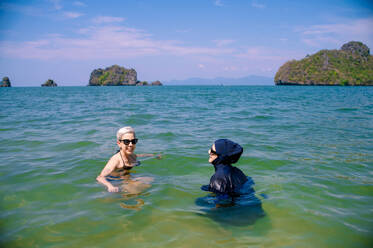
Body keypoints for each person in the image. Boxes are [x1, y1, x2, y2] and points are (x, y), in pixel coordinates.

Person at [96, 126, 159, 192]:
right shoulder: (115, 160)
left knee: (150, 179)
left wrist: (153, 155)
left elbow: (138, 155)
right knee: (136, 190)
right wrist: (110, 186)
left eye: (133, 141)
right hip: (115, 181)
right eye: (126, 141)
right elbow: (100, 177)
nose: (131, 144)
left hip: (127, 178)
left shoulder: (131, 155)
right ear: (119, 143)